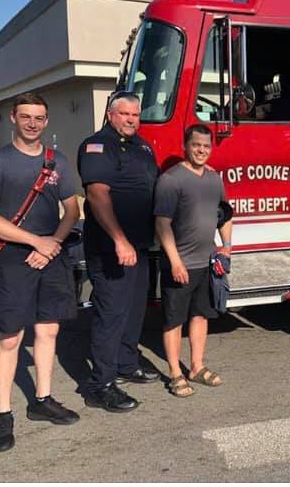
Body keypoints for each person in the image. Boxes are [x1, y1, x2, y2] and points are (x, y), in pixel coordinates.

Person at [0, 92, 81, 453]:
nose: (32, 123)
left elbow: (72, 211)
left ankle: (42, 400)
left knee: (48, 330)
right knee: (10, 337)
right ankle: (3, 415)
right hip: (14, 260)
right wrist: (36, 242)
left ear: (46, 121)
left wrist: (52, 242)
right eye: (26, 117)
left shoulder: (58, 162)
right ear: (13, 118)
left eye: (39, 117)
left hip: (50, 255)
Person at [78, 91, 160, 413]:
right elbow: (98, 196)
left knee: (135, 308)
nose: (130, 119)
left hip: (138, 246)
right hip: (111, 247)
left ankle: (127, 364)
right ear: (111, 115)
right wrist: (119, 239)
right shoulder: (97, 146)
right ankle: (100, 384)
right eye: (124, 114)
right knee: (110, 314)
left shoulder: (143, 146)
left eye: (135, 114)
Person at [154, 123, 232, 398]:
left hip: (206, 262)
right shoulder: (171, 180)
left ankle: (196, 367)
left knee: (200, 315)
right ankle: (175, 373)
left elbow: (225, 214)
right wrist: (175, 262)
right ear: (185, 146)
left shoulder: (214, 178)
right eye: (196, 145)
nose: (201, 150)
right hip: (180, 264)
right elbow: (162, 225)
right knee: (174, 321)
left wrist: (226, 246)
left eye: (206, 146)